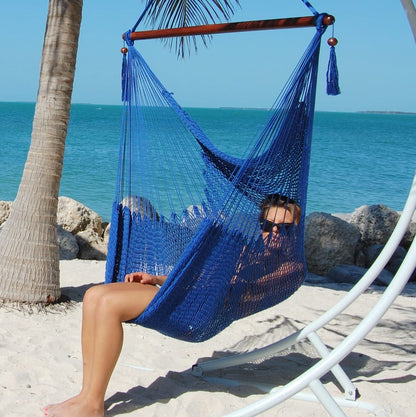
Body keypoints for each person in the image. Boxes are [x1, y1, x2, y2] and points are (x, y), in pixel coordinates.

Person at [42, 195, 300, 417]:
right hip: (184, 295)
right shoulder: (249, 251)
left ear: (296, 233)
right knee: (94, 296)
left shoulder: (290, 267)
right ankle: (86, 393)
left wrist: (234, 266)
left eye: (285, 228)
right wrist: (157, 280)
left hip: (199, 310)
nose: (275, 232)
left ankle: (94, 404)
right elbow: (203, 278)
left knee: (109, 304)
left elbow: (232, 290)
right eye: (269, 225)